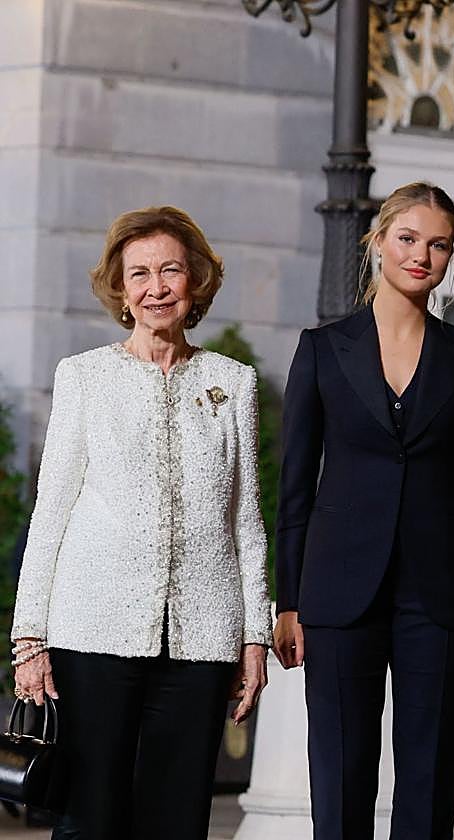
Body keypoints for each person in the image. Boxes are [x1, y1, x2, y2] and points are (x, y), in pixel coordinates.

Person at [10, 206, 273, 840]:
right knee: (89, 820)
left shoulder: (233, 382)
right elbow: (51, 510)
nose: (156, 288)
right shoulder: (84, 377)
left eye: (170, 271)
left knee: (178, 822)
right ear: (121, 289)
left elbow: (246, 518)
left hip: (203, 638)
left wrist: (254, 635)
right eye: (139, 274)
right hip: (93, 633)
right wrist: (29, 638)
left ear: (195, 281)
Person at [273, 182, 454, 840]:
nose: (421, 256)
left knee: (430, 787)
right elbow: (296, 486)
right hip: (339, 591)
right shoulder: (323, 348)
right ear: (377, 242)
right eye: (408, 238)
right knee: (340, 778)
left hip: (444, 597)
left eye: (439, 245)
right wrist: (289, 601)